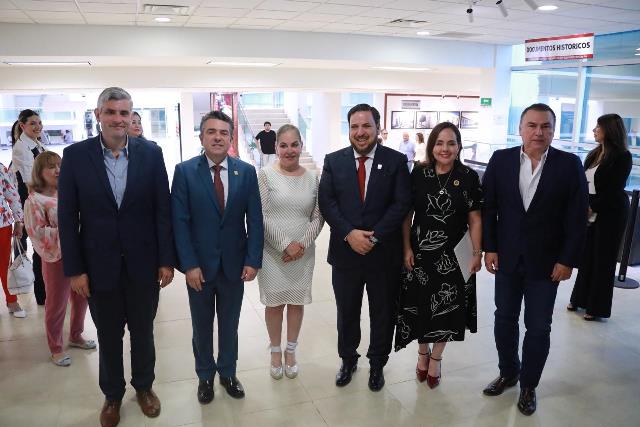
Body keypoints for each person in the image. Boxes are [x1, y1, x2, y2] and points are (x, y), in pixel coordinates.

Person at [58, 87, 175, 427]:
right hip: (99, 266)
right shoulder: (76, 156)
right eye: (111, 112)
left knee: (143, 333)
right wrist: (75, 270)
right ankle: (112, 395)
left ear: (131, 115)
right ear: (98, 115)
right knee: (108, 336)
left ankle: (144, 388)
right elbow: (68, 217)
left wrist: (166, 260)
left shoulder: (151, 154)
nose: (118, 119)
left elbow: (162, 210)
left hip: (143, 264)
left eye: (124, 113)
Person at [481, 103, 588, 416]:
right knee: (504, 319)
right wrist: (490, 247)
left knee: (539, 327)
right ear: (520, 129)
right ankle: (508, 372)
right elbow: (489, 208)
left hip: (547, 262)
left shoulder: (569, 164)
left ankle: (529, 385)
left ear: (553, 130)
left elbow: (577, 217)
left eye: (546, 126)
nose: (538, 132)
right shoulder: (501, 160)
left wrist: (568, 260)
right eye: (532, 125)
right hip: (507, 257)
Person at [171, 110, 263, 404]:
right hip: (199, 268)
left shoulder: (245, 172)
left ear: (231, 138)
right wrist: (189, 265)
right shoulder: (185, 171)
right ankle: (205, 376)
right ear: (201, 137)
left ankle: (228, 372)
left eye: (224, 132)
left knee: (229, 324)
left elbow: (255, 219)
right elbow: (179, 222)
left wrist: (253, 260)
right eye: (211, 132)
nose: (218, 137)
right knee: (201, 326)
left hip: (234, 266)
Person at [318, 104, 411, 392]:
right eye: (355, 126)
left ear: (377, 128)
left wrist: (374, 237)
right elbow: (327, 202)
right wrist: (349, 233)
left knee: (383, 313)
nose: (360, 132)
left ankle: (377, 364)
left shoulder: (396, 161)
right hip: (345, 254)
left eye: (366, 126)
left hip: (384, 255)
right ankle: (348, 360)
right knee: (347, 312)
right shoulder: (334, 161)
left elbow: (401, 203)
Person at [394, 122, 482, 388]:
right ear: (431, 146)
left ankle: (436, 358)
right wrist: (406, 248)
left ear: (459, 146)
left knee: (448, 310)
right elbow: (407, 215)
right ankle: (423, 353)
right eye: (440, 143)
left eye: (451, 143)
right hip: (421, 252)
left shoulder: (468, 176)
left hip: (455, 255)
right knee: (420, 306)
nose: (445, 149)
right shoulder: (419, 173)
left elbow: (475, 219)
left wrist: (477, 252)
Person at [257, 124, 324, 380]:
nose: (289, 150)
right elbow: (261, 215)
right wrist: (286, 244)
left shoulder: (312, 177)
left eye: (294, 144)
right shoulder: (265, 175)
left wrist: (301, 245)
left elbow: (318, 216)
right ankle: (275, 351)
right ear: (276, 148)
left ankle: (291, 351)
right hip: (272, 253)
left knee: (296, 303)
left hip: (303, 254)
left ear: (301, 146)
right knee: (274, 304)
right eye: (283, 145)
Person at [24, 152, 95, 367]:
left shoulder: (68, 192)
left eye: (59, 165)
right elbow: (36, 232)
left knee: (81, 296)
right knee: (56, 303)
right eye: (51, 167)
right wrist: (69, 232)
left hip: (79, 254)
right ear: (39, 172)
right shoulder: (34, 200)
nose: (57, 170)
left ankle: (76, 335)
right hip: (55, 258)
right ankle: (55, 347)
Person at [569, 114, 632, 320]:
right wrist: (583, 204)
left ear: (609, 130)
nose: (594, 130)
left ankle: (596, 307)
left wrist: (592, 207)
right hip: (590, 207)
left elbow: (614, 189)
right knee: (587, 255)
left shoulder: (622, 156)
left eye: (598, 127)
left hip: (610, 211)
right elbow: (582, 181)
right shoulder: (594, 153)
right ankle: (579, 299)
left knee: (603, 259)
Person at [12, 109, 46, 305]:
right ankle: (41, 294)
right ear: (22, 125)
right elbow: (29, 182)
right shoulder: (21, 147)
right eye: (33, 123)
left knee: (42, 247)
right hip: (32, 201)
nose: (38, 126)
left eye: (39, 122)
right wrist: (43, 205)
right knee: (38, 247)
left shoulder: (38, 144)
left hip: (41, 199)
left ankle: (46, 290)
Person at [0, 161, 25, 318]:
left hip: (2, 223)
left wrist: (19, 220)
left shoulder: (0, 168)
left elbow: (12, 194)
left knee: (4, 265)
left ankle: (12, 301)